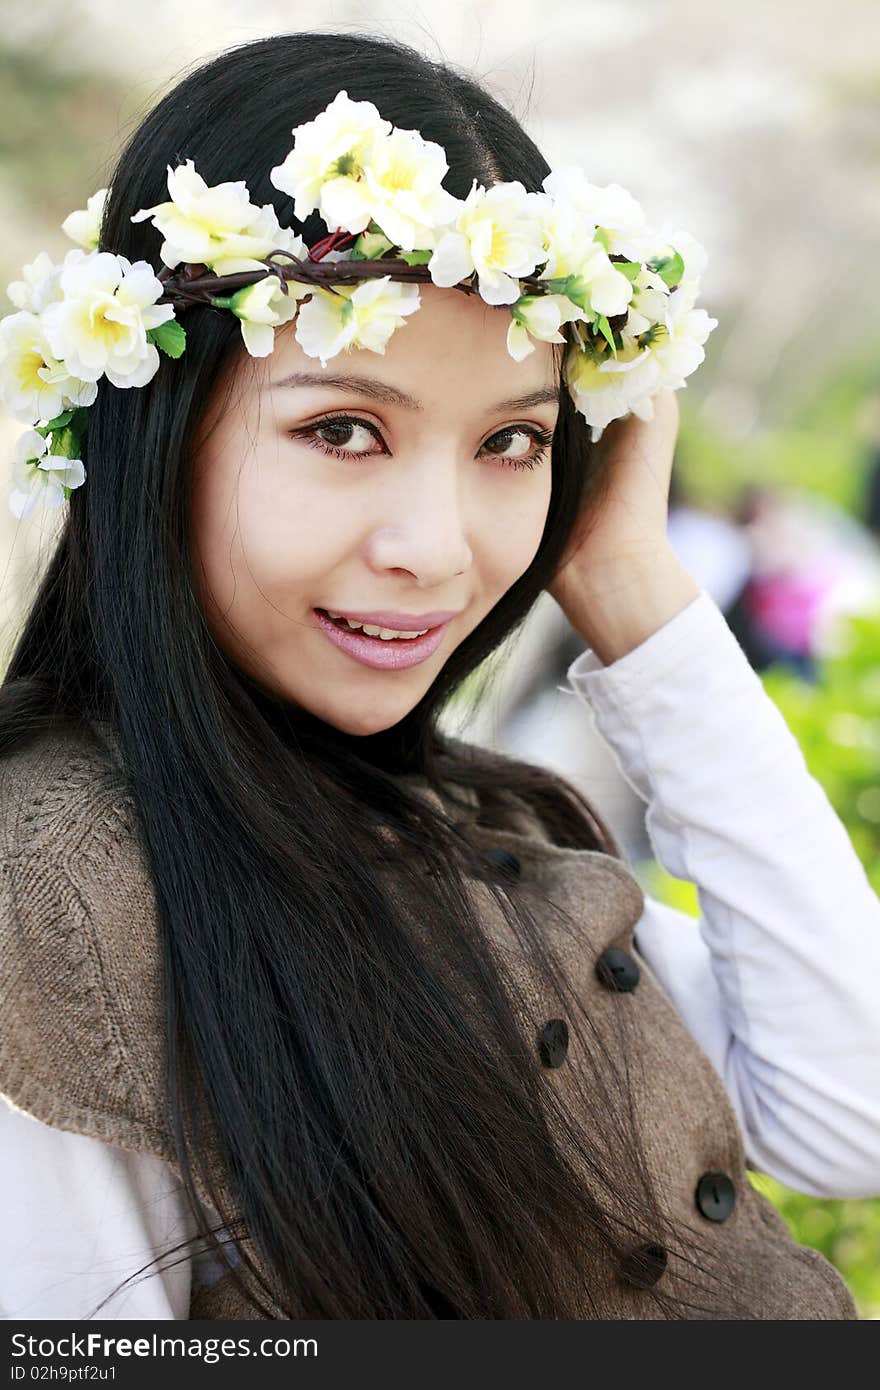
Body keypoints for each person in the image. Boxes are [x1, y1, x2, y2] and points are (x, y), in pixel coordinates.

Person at [1, 32, 879, 1323]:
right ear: (154, 431)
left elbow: (851, 1107)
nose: (439, 547)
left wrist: (629, 579)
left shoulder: (478, 829)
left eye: (513, 441)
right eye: (343, 429)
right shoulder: (55, 893)